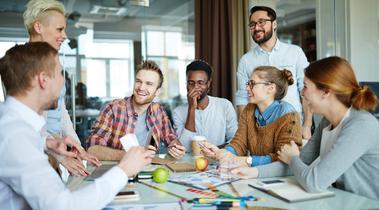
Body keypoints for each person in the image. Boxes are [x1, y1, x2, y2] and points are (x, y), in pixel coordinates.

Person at [0, 42, 154, 210]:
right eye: (60, 73)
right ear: (43, 80)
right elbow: (63, 206)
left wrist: (46, 143)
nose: (64, 83)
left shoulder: (10, 123)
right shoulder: (15, 136)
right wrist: (124, 170)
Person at [231, 57, 379, 200]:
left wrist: (293, 158)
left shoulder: (361, 125)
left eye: (306, 87)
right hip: (342, 200)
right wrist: (252, 172)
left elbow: (314, 182)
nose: (302, 93)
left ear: (326, 92)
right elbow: (299, 164)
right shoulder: (327, 121)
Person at [23, 0, 94, 177]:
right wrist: (60, 156)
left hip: (57, 151)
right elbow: (25, 127)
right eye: (59, 29)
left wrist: (78, 149)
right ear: (38, 27)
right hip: (37, 157)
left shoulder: (53, 61)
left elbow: (61, 113)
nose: (64, 35)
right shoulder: (19, 65)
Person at [235, 6, 312, 139]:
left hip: (293, 125)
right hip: (261, 129)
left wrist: (307, 125)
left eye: (261, 22)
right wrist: (247, 132)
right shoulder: (246, 60)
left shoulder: (295, 52)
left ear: (274, 23)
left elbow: (306, 91)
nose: (256, 28)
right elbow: (243, 98)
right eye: (252, 24)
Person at [202, 66, 302, 167]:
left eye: (252, 84)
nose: (247, 88)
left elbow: (283, 158)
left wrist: (246, 161)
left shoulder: (289, 116)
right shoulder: (249, 110)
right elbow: (239, 142)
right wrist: (223, 153)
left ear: (270, 88)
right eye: (248, 83)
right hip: (254, 175)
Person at [87, 60, 186, 160]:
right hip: (119, 172)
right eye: (138, 81)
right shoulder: (112, 109)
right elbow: (92, 149)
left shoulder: (159, 111)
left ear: (157, 91)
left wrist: (176, 148)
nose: (141, 87)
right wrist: (129, 155)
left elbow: (171, 139)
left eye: (149, 84)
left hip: (149, 171)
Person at [172, 60, 238, 150]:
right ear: (186, 85)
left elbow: (235, 140)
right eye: (191, 83)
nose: (195, 87)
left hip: (219, 160)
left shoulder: (225, 105)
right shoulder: (178, 112)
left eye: (200, 83)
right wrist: (191, 109)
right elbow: (183, 147)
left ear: (208, 84)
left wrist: (213, 150)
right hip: (188, 163)